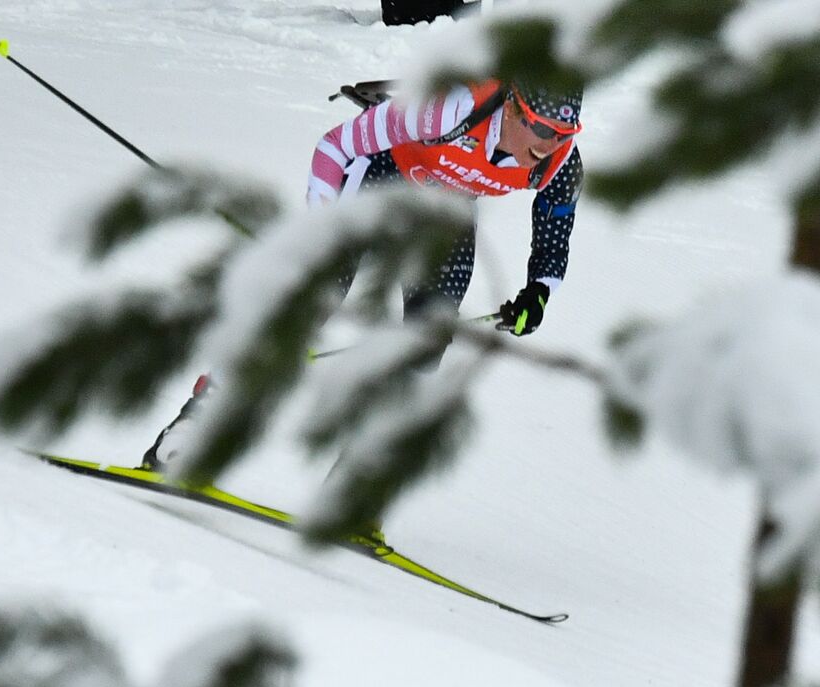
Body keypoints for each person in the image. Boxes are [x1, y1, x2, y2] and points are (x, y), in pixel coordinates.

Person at [141, 77, 584, 469]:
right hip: (379, 171)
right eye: (541, 128)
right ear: (511, 106)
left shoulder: (559, 160)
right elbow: (336, 145)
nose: (548, 143)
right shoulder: (451, 109)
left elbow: (555, 227)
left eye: (564, 134)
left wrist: (539, 290)